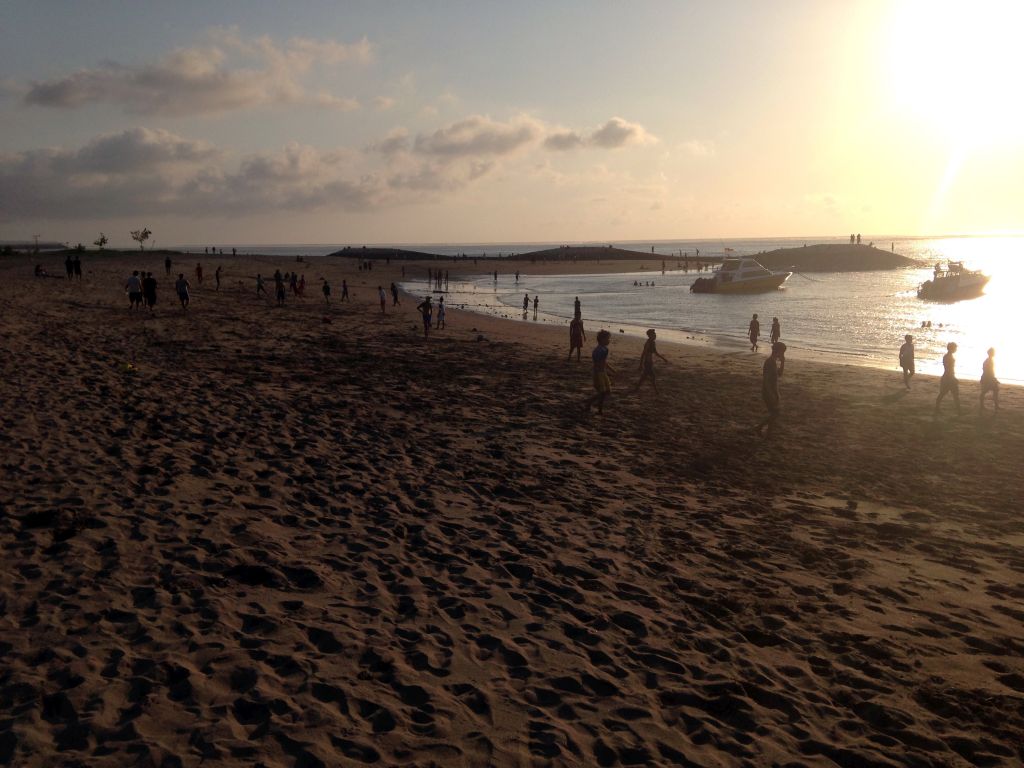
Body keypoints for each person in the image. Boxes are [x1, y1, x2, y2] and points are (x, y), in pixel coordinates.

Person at [757, 342, 786, 436]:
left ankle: (769, 432)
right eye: (782, 352)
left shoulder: (773, 362)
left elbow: (780, 374)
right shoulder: (769, 362)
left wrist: (782, 362)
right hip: (769, 392)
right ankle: (759, 427)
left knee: (774, 413)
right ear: (778, 351)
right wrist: (771, 394)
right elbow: (766, 380)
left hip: (774, 391)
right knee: (775, 413)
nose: (783, 354)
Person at [584, 330, 615, 415]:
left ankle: (598, 408)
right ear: (601, 339)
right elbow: (597, 363)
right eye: (607, 339)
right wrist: (597, 373)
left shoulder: (605, 349)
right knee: (602, 392)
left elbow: (604, 362)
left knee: (606, 392)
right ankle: (591, 403)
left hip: (603, 373)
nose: (609, 341)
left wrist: (611, 370)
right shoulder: (598, 350)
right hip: (598, 374)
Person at [635, 329, 668, 393]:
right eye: (653, 334)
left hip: (650, 362)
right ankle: (656, 390)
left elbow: (656, 353)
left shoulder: (653, 343)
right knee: (652, 376)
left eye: (655, 334)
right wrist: (640, 364)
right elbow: (643, 354)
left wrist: (663, 358)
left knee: (644, 376)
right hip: (647, 363)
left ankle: (637, 388)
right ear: (649, 335)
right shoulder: (648, 343)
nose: (655, 335)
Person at [935, 342, 961, 415]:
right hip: (948, 377)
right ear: (951, 348)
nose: (956, 349)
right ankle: (959, 411)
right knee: (951, 394)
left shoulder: (948, 356)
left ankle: (958, 410)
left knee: (945, 393)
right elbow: (948, 368)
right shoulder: (948, 357)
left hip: (948, 376)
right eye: (955, 348)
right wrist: (953, 378)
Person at [979, 347, 999, 412]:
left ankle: (996, 406)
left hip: (989, 378)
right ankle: (982, 406)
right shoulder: (988, 361)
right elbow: (987, 371)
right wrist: (992, 379)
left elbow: (990, 370)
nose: (994, 353)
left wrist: (994, 378)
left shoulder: (990, 360)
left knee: (995, 390)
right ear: (991, 353)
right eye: (993, 352)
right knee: (984, 392)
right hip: (987, 378)